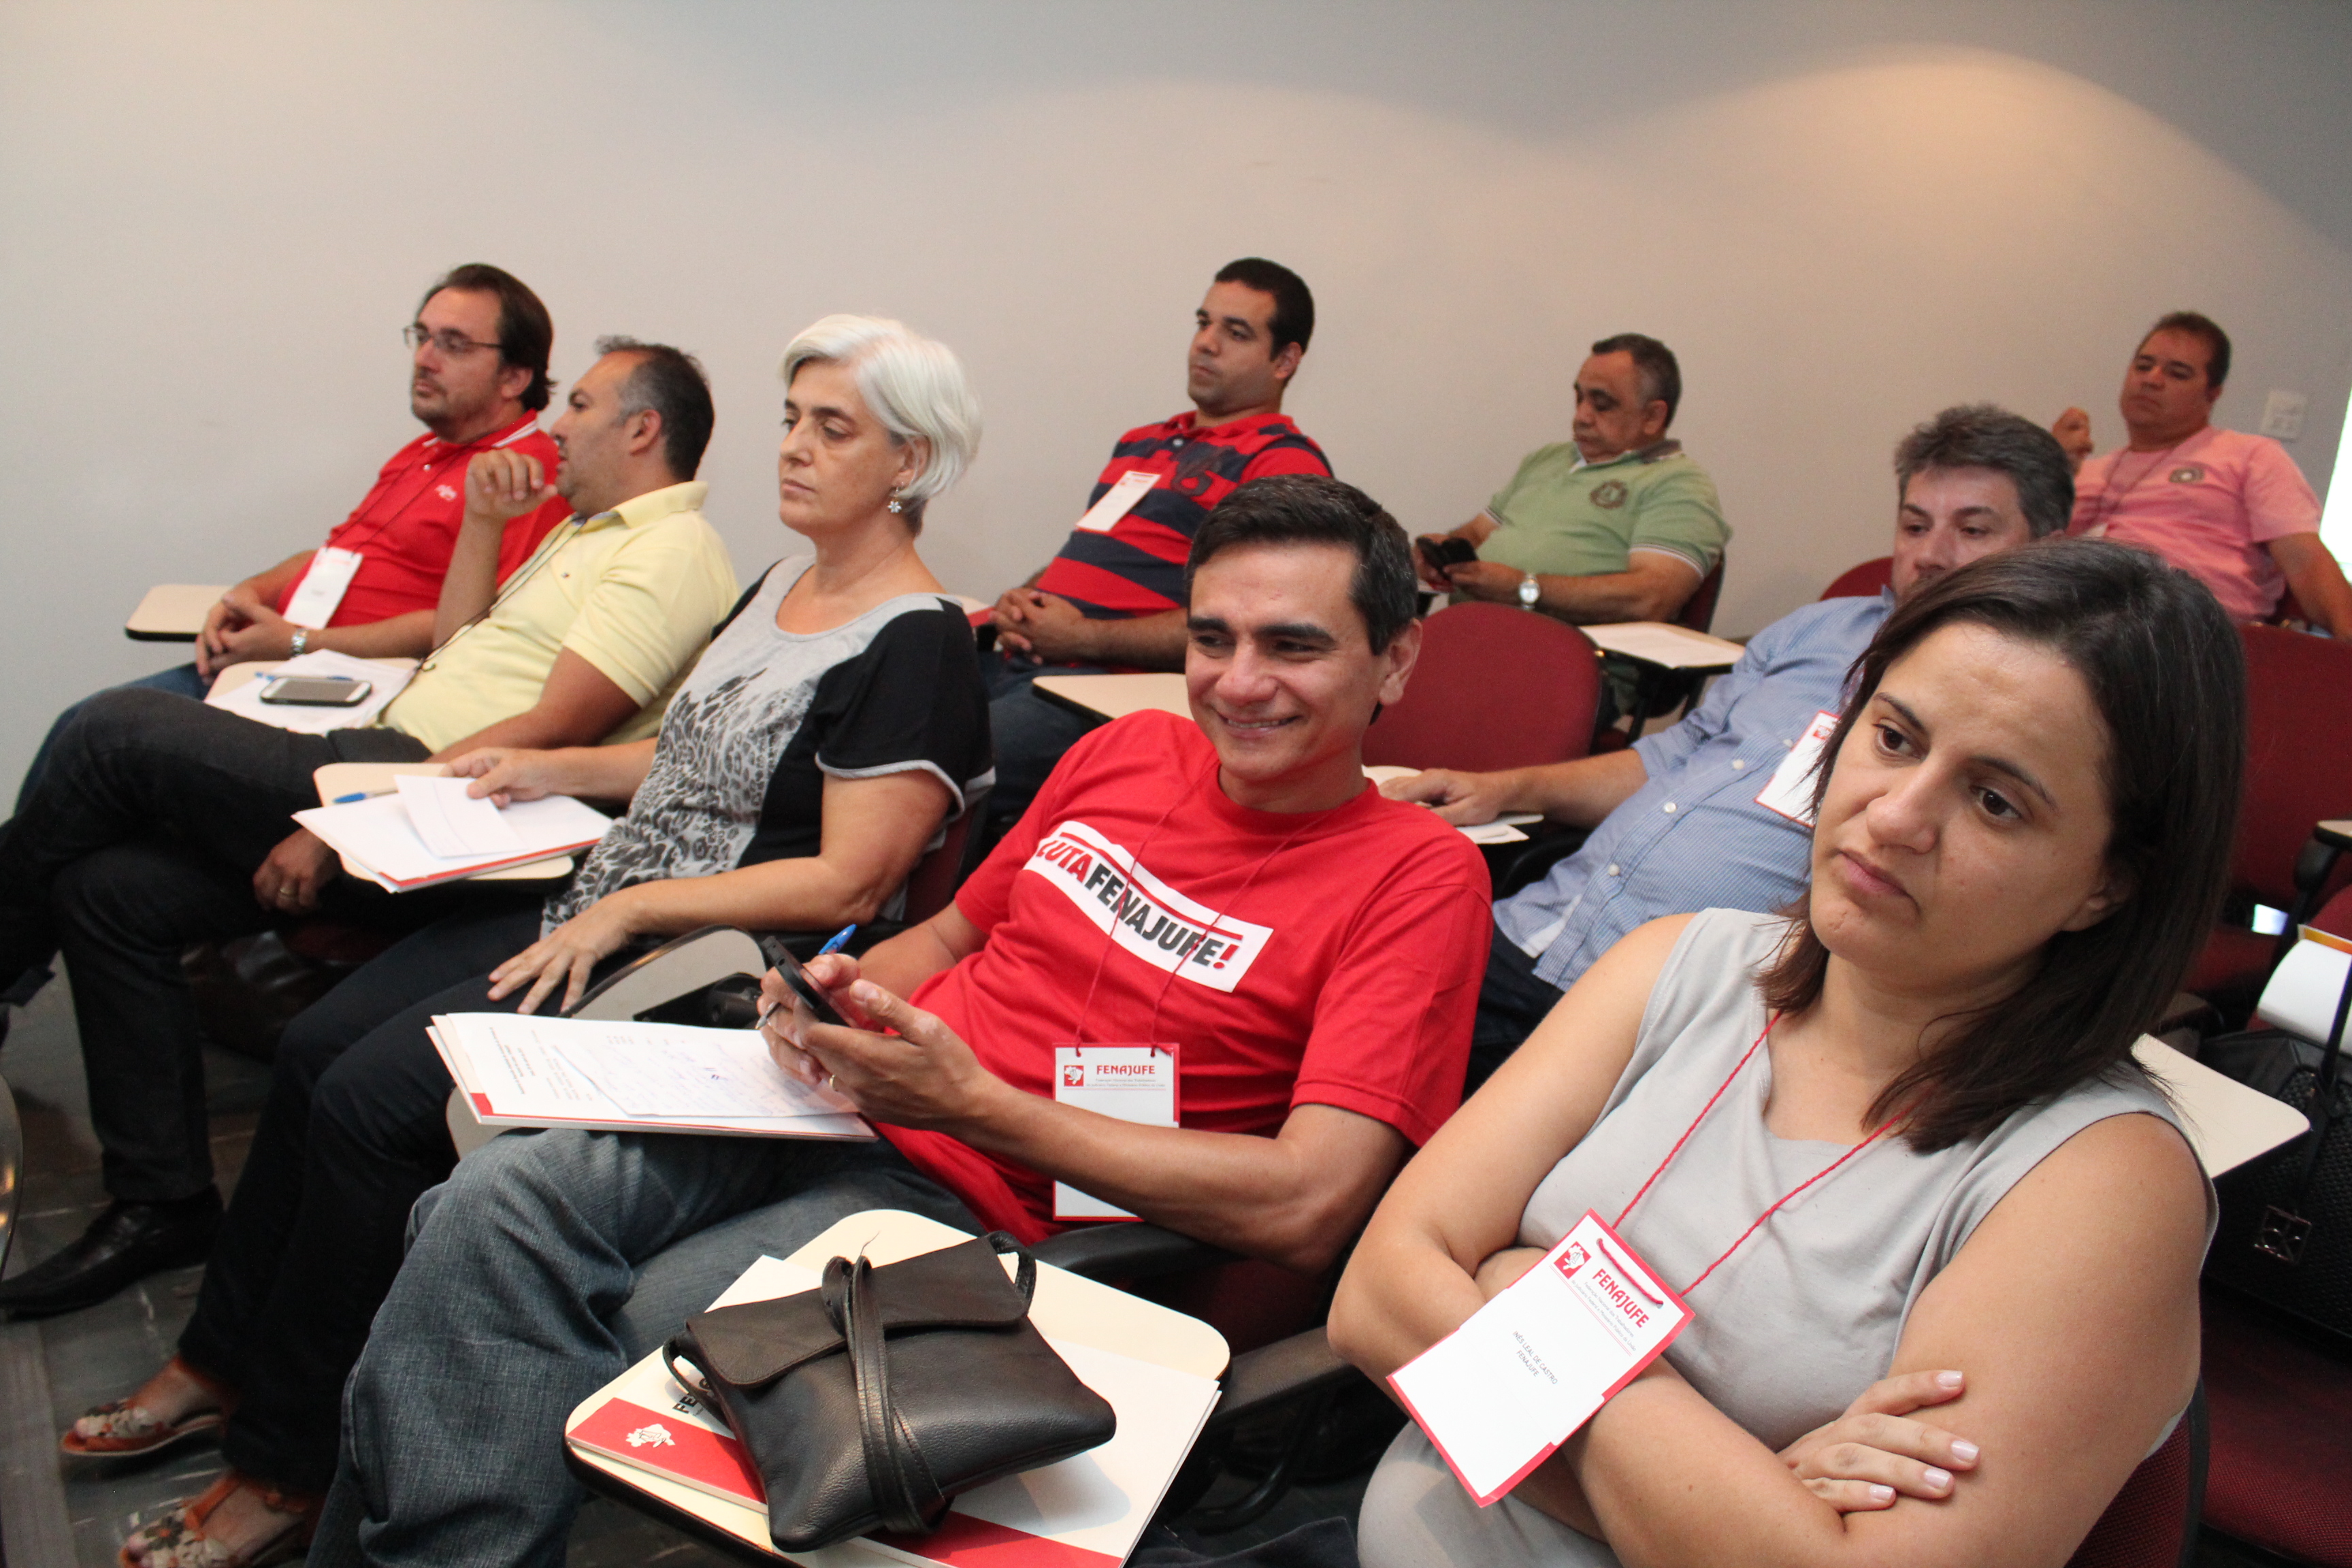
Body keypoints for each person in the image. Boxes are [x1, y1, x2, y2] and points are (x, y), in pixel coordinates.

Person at [306, 474, 1492, 1568]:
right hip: (836, 1105)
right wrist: (845, 995)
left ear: (1395, 660)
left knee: (564, 1317)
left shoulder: (1417, 878)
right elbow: (953, 937)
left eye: (1293, 646)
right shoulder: (1130, 750)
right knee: (486, 1205)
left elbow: (1308, 1203)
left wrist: (972, 1106)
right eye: (1212, 639)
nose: (1237, 682)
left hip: (983, 1213)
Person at [71, 314, 994, 1568]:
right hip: (607, 899)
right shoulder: (782, 583)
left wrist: (633, 908)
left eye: (834, 429)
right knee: (319, 1049)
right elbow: (684, 759)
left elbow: (853, 874)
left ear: (912, 461)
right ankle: (220, 1363)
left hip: (700, 966)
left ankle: (288, 1462)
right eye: (792, 419)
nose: (793, 448)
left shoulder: (917, 639)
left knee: (373, 1109)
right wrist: (546, 763)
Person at [1331, 538, 2240, 1567]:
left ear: (2108, 884)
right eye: (1894, 738)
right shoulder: (1678, 963)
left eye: (1996, 801)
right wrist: (1753, 1500)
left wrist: (1520, 1293)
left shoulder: (2103, 1184)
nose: (1895, 816)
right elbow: (1375, 1300)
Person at [0, 338, 738, 1318]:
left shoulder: (671, 549)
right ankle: (162, 1203)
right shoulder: (583, 532)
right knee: (111, 894)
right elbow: (453, 648)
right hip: (388, 758)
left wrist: (351, 819)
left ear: (643, 430)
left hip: (444, 806)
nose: (558, 426)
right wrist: (485, 523)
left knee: (109, 729)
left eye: (584, 406)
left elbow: (552, 729)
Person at [1387, 405, 2074, 1091]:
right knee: (1345, 994)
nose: (1931, 555)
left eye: (1973, 530)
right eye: (1916, 525)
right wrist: (1506, 789)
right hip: (1539, 928)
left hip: (1664, 1020)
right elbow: (1674, 753)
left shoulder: (2023, 715)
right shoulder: (1818, 630)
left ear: (2046, 548)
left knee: (1381, 1108)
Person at [16, 263, 571, 798]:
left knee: (89, 734)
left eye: (453, 344)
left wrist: (299, 642)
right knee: (82, 734)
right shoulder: (427, 450)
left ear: (514, 377)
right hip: (283, 662)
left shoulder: (523, 475)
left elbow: (474, 629)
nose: (425, 358)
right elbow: (337, 556)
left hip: (346, 689)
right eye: (422, 337)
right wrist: (248, 595)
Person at [982, 258, 1331, 831]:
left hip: (1107, 692)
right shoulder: (1142, 442)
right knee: (874, 707)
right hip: (1020, 661)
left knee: (941, 755)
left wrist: (1083, 637)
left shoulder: (1282, 466)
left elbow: (1251, 625)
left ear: (1285, 361)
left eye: (1236, 332)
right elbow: (1092, 549)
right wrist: (1024, 598)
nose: (1206, 343)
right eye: (1204, 323)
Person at [2055, 310, 2352, 635]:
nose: (2152, 379)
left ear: (2213, 393)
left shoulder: (2250, 456)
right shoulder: (2083, 472)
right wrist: (2052, 465)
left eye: (2177, 373)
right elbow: (2027, 554)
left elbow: (2305, 561)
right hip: (2072, 625)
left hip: (2186, 635)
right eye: (2143, 366)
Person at [1414, 333, 1726, 625]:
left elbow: (1651, 598)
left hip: (1564, 654)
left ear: (1653, 417)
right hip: (1469, 632)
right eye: (1579, 399)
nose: (1581, 417)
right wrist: (1442, 555)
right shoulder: (1547, 459)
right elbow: (1477, 533)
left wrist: (1523, 589)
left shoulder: (1678, 484)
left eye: (1602, 404)